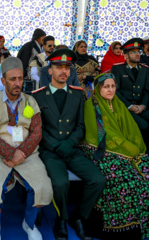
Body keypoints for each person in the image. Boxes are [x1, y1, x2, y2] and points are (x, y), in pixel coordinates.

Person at [32, 49, 106, 240]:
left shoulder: (77, 94)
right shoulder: (38, 96)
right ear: (50, 71)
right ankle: (61, 220)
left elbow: (81, 125)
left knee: (97, 179)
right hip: (50, 151)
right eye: (58, 67)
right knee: (60, 182)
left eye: (67, 67)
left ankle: (79, 217)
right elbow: (36, 128)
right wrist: (56, 145)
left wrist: (70, 142)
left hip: (72, 149)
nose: (63, 71)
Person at [0, 57, 53, 240]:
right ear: (3, 81)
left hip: (27, 152)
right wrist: (11, 153)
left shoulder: (31, 101)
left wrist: (21, 152)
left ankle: (28, 224)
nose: (17, 83)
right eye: (12, 79)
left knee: (42, 186)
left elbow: (37, 132)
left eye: (20, 78)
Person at [81, 73, 149, 240]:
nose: (110, 90)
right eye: (106, 86)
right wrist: (129, 149)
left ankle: (141, 224)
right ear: (98, 88)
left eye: (112, 86)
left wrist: (134, 147)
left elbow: (130, 129)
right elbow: (103, 134)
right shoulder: (92, 105)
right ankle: (122, 228)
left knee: (145, 173)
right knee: (125, 178)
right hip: (100, 150)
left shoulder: (117, 104)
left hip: (123, 149)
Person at [111, 38, 149, 142]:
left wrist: (143, 106)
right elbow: (115, 91)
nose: (138, 54)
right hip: (124, 107)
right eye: (133, 52)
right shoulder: (118, 69)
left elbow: (147, 91)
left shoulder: (145, 69)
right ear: (126, 55)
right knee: (143, 126)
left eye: (139, 52)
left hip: (141, 107)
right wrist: (130, 106)